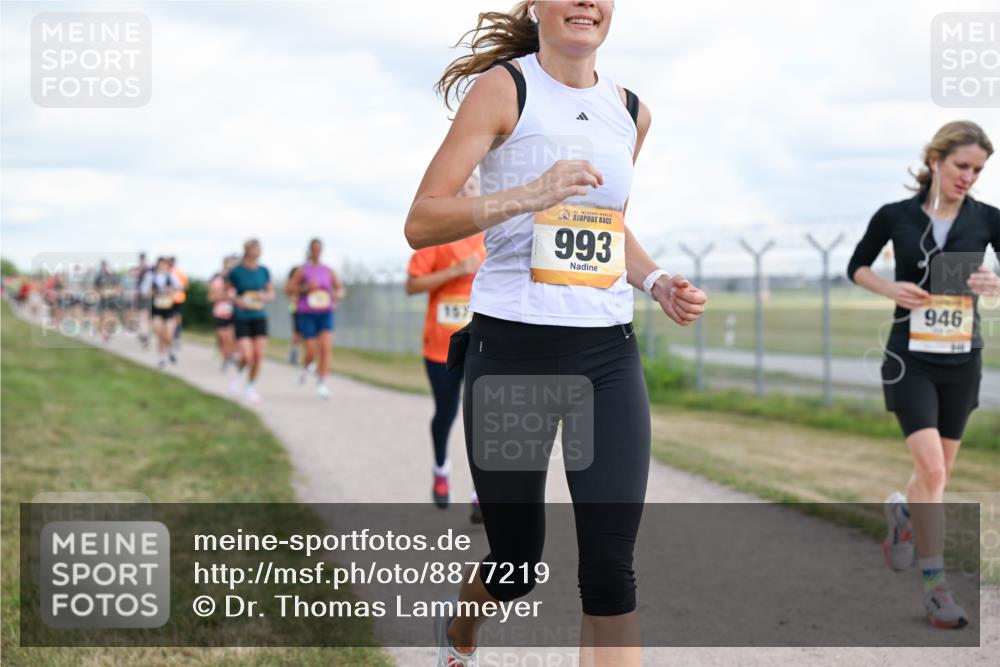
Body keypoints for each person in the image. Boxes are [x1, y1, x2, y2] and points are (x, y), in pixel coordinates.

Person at [404, 3, 707, 665]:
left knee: (609, 566)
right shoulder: (503, 89)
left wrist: (656, 281)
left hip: (606, 355)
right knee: (516, 561)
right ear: (538, 6)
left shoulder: (631, 111)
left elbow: (606, 227)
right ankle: (459, 633)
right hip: (512, 352)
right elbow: (421, 220)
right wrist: (528, 194)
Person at [847, 120, 1000, 630]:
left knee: (937, 476)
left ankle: (904, 515)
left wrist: (992, 280)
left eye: (978, 170)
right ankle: (937, 590)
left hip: (962, 360)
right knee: (933, 472)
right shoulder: (896, 216)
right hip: (908, 358)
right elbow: (858, 267)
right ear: (935, 160)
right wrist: (891, 291)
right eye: (961, 166)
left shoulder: (988, 220)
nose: (968, 177)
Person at [406, 174, 486, 520]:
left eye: (473, 186)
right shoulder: (438, 238)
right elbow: (412, 285)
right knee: (447, 412)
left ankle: (480, 494)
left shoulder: (494, 235)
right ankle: (441, 468)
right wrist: (457, 269)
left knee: (483, 418)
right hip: (441, 345)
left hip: (484, 341)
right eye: (461, 186)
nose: (466, 191)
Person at [287, 239, 346, 399]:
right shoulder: (302, 270)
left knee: (326, 348)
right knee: (311, 350)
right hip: (307, 314)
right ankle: (305, 367)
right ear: (310, 250)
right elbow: (289, 289)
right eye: (314, 249)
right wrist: (305, 288)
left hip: (325, 313)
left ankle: (322, 383)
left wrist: (337, 295)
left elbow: (340, 289)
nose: (316, 252)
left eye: (319, 249)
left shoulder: (328, 270)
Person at [227, 239, 274, 403]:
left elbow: (271, 293)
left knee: (258, 355)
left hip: (259, 316)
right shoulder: (236, 271)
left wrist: (265, 296)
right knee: (247, 355)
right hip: (242, 316)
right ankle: (239, 375)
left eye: (260, 249)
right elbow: (228, 292)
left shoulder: (264, 271)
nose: (258, 252)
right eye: (255, 249)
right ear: (247, 250)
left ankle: (250, 387)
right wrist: (236, 299)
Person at [139, 257, 183, 369]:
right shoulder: (151, 276)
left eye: (165, 264)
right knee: (159, 333)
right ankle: (162, 357)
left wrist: (171, 291)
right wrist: (152, 293)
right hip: (156, 309)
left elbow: (179, 288)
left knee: (168, 333)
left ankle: (169, 349)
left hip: (169, 309)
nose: (163, 266)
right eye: (161, 264)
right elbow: (144, 291)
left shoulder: (170, 276)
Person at [209, 255, 239, 371]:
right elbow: (211, 297)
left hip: (234, 313)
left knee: (232, 337)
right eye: (230, 264)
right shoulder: (218, 280)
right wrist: (225, 296)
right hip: (220, 313)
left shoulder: (239, 280)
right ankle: (226, 357)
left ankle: (230, 357)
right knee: (223, 338)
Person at [285, 265, 305, 367]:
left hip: (304, 309)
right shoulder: (292, 283)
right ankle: (293, 353)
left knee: (301, 333)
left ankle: (295, 352)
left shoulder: (303, 282)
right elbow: (289, 294)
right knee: (297, 332)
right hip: (294, 308)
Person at [168, 256, 188, 350]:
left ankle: (176, 337)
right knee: (171, 319)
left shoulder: (180, 273)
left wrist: (177, 288)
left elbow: (185, 286)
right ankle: (171, 337)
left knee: (177, 319)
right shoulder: (167, 272)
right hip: (168, 300)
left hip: (178, 299)